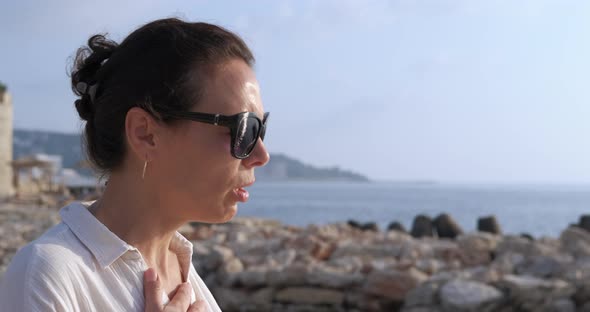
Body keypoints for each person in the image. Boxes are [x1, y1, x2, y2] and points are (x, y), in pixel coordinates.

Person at [0, 18, 270, 311]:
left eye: (261, 129)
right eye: (244, 129)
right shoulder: (48, 277)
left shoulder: (186, 278)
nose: (261, 154)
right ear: (145, 133)